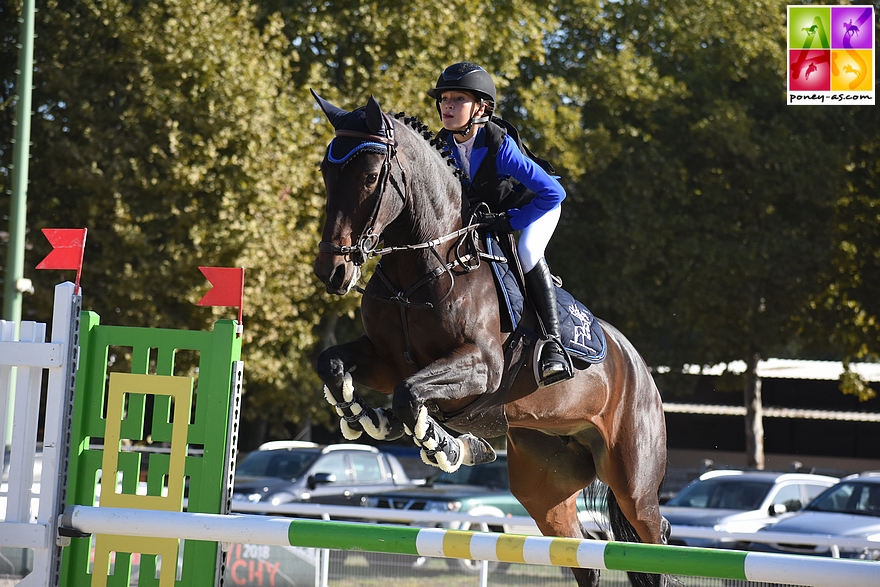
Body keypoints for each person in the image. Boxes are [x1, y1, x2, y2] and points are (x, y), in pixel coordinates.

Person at [427, 62, 572, 387]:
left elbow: (554, 192)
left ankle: (553, 345)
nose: (447, 105)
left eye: (457, 99)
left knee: (527, 251)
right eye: (444, 99)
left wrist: (510, 221)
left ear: (481, 107)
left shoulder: (499, 145)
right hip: (492, 216)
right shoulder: (442, 146)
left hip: (536, 207)